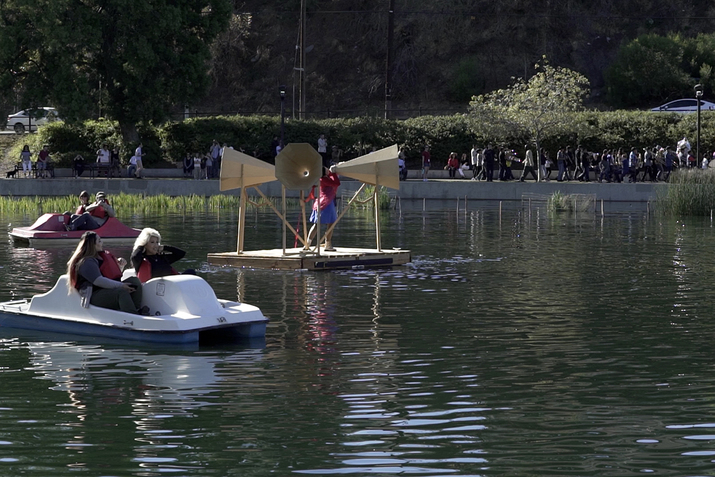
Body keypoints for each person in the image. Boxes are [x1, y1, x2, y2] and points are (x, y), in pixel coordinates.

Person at [66, 231, 147, 315]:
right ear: (92, 245)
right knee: (121, 292)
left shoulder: (100, 257)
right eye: (99, 241)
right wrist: (121, 285)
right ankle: (133, 316)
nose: (102, 243)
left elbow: (110, 276)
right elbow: (99, 281)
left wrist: (120, 266)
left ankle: (135, 309)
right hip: (94, 295)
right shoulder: (86, 262)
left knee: (134, 281)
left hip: (107, 290)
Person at [131, 228, 195, 282]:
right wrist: (141, 245)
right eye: (152, 242)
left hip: (171, 285)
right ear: (145, 244)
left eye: (157, 242)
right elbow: (134, 256)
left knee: (191, 271)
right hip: (155, 288)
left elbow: (181, 254)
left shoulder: (162, 257)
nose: (156, 245)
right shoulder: (140, 259)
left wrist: (165, 247)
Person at [307, 166, 341, 251]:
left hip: (322, 202)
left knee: (317, 225)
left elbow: (334, 180)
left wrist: (332, 173)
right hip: (326, 203)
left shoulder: (324, 178)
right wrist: (332, 173)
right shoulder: (324, 179)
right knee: (330, 224)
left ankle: (308, 244)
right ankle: (328, 244)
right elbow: (336, 183)